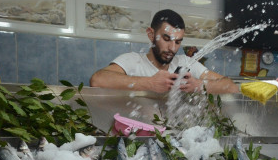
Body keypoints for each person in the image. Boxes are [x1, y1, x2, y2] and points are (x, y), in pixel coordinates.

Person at [90, 9, 238, 95]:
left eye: (178, 42)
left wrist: (199, 85)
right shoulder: (132, 61)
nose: (172, 48)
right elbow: (97, 80)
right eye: (166, 39)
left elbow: (231, 86)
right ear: (151, 34)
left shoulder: (186, 63)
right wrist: (150, 83)